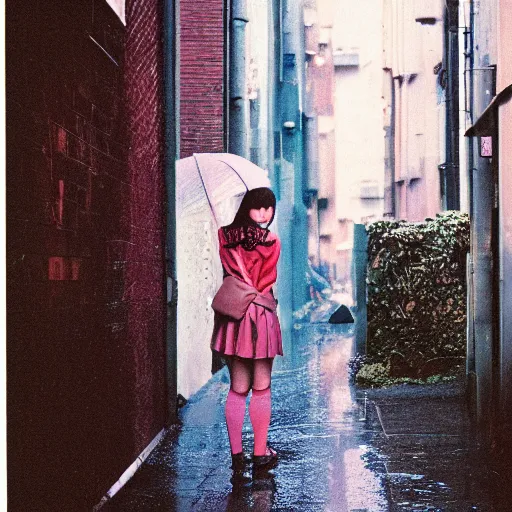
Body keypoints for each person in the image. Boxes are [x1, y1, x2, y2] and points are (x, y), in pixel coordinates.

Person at [210, 187, 282, 477]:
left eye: (268, 208)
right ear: (248, 209)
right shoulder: (271, 241)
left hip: (234, 318)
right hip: (261, 315)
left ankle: (237, 455)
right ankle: (260, 453)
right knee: (262, 385)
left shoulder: (224, 237)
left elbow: (230, 274)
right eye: (259, 208)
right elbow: (266, 281)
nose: (264, 213)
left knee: (238, 387)